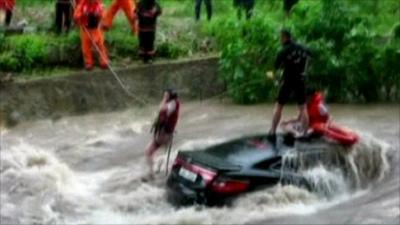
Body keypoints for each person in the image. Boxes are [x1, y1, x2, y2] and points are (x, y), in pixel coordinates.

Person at [268, 29, 311, 136]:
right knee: (303, 108)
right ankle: (305, 133)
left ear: (284, 37)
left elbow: (275, 68)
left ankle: (273, 131)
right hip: (300, 80)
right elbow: (311, 56)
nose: (280, 39)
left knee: (279, 106)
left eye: (280, 37)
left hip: (288, 81)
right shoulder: (303, 48)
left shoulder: (283, 51)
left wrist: (272, 77)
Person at [281, 88, 359, 145]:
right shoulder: (304, 106)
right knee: (287, 126)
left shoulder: (319, 106)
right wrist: (287, 121)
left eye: (306, 97)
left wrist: (327, 124)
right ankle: (298, 135)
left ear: (311, 96)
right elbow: (298, 118)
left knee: (318, 127)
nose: (305, 99)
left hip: (319, 127)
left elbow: (329, 117)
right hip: (309, 127)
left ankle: (348, 137)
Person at [144, 89, 180, 179]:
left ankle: (157, 170)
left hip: (165, 135)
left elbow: (161, 108)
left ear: (170, 96)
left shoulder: (173, 104)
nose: (165, 96)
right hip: (162, 133)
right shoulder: (171, 103)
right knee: (149, 152)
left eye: (166, 95)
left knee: (152, 152)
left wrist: (164, 99)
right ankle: (153, 172)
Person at [74, 0, 109, 70]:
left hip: (96, 29)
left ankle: (103, 61)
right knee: (86, 47)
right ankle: (88, 63)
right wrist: (81, 16)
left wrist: (102, 20)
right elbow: (76, 16)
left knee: (100, 45)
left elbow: (103, 15)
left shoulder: (99, 5)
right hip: (86, 29)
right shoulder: (82, 5)